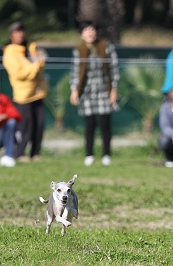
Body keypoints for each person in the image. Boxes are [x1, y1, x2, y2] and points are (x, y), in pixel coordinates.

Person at [70, 21, 120, 167]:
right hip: (86, 91)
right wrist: (74, 90)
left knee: (105, 124)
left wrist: (114, 90)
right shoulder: (78, 50)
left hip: (104, 90)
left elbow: (114, 69)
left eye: (92, 30)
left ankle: (106, 154)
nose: (90, 33)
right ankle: (89, 154)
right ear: (82, 34)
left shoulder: (106, 47)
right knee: (89, 125)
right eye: (87, 31)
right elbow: (74, 72)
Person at [2, 21, 48, 162]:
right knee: (25, 127)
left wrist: (39, 62)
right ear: (11, 35)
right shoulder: (9, 53)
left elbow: (41, 63)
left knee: (39, 125)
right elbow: (19, 73)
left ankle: (35, 153)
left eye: (22, 31)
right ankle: (19, 153)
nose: (20, 34)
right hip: (23, 96)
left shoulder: (30, 48)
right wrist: (36, 66)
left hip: (37, 93)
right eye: (17, 31)